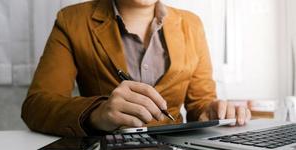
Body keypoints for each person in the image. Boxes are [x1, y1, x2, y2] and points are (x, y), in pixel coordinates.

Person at [21, 0, 251, 136]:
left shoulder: (191, 24)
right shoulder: (72, 21)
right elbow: (36, 106)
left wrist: (211, 112)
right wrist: (96, 113)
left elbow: (199, 106)